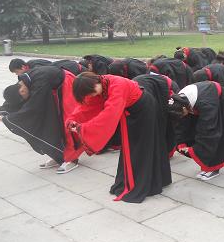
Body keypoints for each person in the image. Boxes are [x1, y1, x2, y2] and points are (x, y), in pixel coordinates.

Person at [66, 72, 172, 202]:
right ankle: (146, 181)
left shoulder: (117, 86)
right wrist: (73, 120)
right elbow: (87, 107)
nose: (91, 96)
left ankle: (145, 184)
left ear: (95, 82)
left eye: (91, 92)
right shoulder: (100, 84)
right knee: (132, 149)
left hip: (144, 109)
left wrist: (83, 128)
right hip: (130, 111)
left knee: (140, 148)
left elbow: (109, 115)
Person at [0, 66, 80, 173]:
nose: (24, 100)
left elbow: (33, 107)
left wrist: (11, 119)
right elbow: (12, 96)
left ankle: (71, 159)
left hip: (66, 84)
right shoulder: (22, 83)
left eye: (23, 99)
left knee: (66, 123)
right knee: (56, 122)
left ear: (22, 91)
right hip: (54, 89)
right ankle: (60, 155)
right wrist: (3, 112)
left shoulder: (40, 82)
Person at [169, 81, 224, 181]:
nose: (182, 116)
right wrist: (181, 142)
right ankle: (206, 165)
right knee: (193, 127)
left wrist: (194, 149)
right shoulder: (179, 101)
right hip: (203, 98)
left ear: (184, 107)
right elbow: (181, 123)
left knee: (216, 134)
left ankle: (214, 168)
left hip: (219, 100)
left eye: (182, 113)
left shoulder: (206, 104)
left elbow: (207, 130)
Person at [133, 73, 180, 158]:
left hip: (166, 88)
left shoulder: (138, 93)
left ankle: (168, 150)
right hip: (155, 89)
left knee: (166, 121)